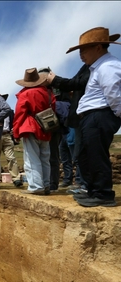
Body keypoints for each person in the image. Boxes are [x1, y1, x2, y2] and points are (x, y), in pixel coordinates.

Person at [67, 27, 121, 207]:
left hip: (100, 114)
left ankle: (103, 194)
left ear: (98, 47)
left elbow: (114, 94)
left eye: (84, 50)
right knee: (86, 155)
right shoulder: (98, 68)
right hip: (92, 116)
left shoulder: (108, 66)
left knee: (96, 154)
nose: (81, 55)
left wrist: (115, 116)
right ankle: (93, 190)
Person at [12, 68, 54, 195]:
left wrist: (16, 132)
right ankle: (46, 185)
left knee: (31, 159)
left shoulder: (25, 94)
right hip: (46, 127)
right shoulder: (48, 93)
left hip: (30, 127)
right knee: (45, 158)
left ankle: (36, 186)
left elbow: (20, 114)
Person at [0, 93, 23, 188]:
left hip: (7, 135)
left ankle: (16, 179)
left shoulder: (10, 112)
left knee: (11, 157)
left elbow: (15, 121)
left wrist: (14, 130)